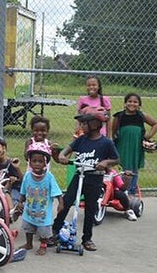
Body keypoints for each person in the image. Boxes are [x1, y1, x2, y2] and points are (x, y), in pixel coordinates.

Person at [51, 107, 119, 252]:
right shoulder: (81, 140)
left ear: (95, 124)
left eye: (84, 123)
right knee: (67, 201)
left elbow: (116, 159)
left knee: (90, 208)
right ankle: (55, 231)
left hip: (95, 179)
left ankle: (87, 238)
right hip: (79, 175)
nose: (81, 126)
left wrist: (105, 163)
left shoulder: (106, 143)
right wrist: (62, 155)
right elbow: (67, 150)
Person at [17, 142, 64, 255]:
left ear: (45, 163)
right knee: (28, 228)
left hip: (43, 213)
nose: (37, 164)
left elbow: (57, 192)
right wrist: (20, 202)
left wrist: (61, 203)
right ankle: (29, 243)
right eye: (34, 161)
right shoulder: (27, 176)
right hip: (29, 211)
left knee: (43, 231)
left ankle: (43, 246)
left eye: (40, 161)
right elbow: (23, 191)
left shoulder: (49, 178)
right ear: (30, 162)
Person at [111, 93, 157, 195]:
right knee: (121, 165)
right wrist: (115, 139)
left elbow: (155, 124)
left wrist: (148, 137)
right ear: (125, 104)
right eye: (129, 101)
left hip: (135, 147)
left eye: (135, 102)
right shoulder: (119, 116)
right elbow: (114, 131)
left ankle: (131, 191)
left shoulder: (141, 116)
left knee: (133, 167)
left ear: (139, 105)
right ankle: (120, 189)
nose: (132, 104)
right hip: (122, 145)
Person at [0, 135, 24, 220]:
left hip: (14, 188)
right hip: (1, 188)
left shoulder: (11, 163)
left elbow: (22, 180)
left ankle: (15, 211)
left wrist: (16, 171)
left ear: (4, 148)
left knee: (12, 200)